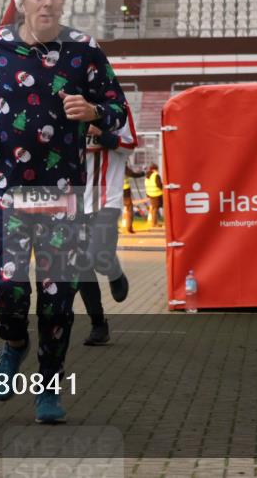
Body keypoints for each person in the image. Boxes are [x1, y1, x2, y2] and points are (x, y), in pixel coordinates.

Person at [0, 0, 127, 424]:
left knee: (57, 298)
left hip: (60, 193)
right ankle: (14, 342)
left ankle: (48, 388)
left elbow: (117, 109)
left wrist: (93, 111)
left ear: (63, 2)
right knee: (6, 287)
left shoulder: (84, 50)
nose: (47, 2)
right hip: (6, 188)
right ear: (22, 2)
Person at [79, 106, 138, 346]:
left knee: (96, 258)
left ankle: (113, 271)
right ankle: (98, 325)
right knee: (81, 266)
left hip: (107, 200)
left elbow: (130, 144)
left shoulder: (118, 109)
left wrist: (100, 134)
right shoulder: (66, 108)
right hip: (75, 202)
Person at [122, 162, 145, 233]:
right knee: (129, 208)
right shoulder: (123, 167)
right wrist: (142, 173)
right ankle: (129, 228)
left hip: (113, 190)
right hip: (125, 190)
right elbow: (132, 174)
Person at [145, 164, 164, 228]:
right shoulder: (155, 175)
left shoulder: (147, 176)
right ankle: (154, 223)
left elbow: (146, 185)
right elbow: (159, 184)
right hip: (157, 194)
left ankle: (154, 223)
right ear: (156, 169)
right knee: (155, 209)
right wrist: (164, 188)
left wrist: (147, 194)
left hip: (151, 194)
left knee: (154, 208)